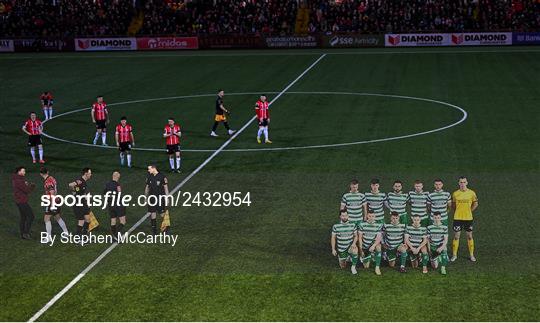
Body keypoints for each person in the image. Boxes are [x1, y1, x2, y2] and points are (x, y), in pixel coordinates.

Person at [451, 176, 478, 262]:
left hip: (468, 218)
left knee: (469, 236)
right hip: (457, 218)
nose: (462, 184)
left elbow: (475, 203)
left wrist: (469, 211)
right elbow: (453, 205)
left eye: (464, 182)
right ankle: (454, 255)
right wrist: (457, 211)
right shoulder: (455, 193)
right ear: (459, 183)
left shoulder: (472, 193)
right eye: (461, 182)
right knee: (456, 237)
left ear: (467, 183)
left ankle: (471, 255)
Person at [39, 168, 69, 242]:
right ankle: (66, 232)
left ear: (41, 174)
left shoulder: (47, 181)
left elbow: (52, 192)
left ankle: (49, 237)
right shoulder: (52, 178)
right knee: (57, 217)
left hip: (52, 201)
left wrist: (52, 204)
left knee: (46, 219)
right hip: (57, 200)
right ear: (48, 172)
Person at [331, 209, 359, 275]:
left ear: (348, 216)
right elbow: (333, 238)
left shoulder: (353, 225)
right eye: (343, 216)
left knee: (355, 250)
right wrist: (333, 249)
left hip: (350, 246)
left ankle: (353, 267)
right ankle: (346, 257)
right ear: (340, 217)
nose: (345, 217)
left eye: (346, 215)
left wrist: (354, 243)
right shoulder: (336, 226)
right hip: (341, 248)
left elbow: (356, 236)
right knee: (343, 267)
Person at [12, 166, 36, 239]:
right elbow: (27, 191)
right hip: (22, 201)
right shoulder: (19, 181)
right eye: (23, 171)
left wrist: (25, 184)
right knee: (31, 216)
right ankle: (26, 233)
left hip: (19, 201)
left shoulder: (17, 179)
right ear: (19, 172)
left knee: (23, 217)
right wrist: (32, 186)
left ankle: (23, 233)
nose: (24, 172)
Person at [145, 165, 169, 234]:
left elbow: (166, 188)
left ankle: (165, 229)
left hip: (160, 198)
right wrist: (146, 197)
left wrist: (167, 198)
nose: (148, 170)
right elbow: (147, 187)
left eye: (149, 169)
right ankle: (154, 231)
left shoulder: (162, 176)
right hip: (151, 198)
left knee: (162, 214)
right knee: (152, 213)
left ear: (153, 168)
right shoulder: (149, 176)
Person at [357, 210, 383, 275]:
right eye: (369, 216)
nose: (371, 217)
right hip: (365, 246)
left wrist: (373, 246)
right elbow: (360, 238)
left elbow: (379, 238)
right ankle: (369, 256)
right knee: (366, 267)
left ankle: (377, 267)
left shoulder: (378, 225)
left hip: (372, 246)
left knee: (378, 246)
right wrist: (361, 250)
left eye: (373, 216)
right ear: (367, 216)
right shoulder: (362, 224)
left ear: (375, 217)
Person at [68, 168, 92, 236]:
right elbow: (70, 185)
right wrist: (74, 192)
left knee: (88, 220)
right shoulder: (80, 181)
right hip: (79, 204)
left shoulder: (84, 182)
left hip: (83, 203)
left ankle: (84, 236)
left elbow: (81, 192)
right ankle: (77, 238)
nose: (91, 175)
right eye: (90, 173)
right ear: (86, 173)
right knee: (81, 221)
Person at [104, 171, 126, 240]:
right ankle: (116, 234)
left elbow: (105, 193)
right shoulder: (117, 185)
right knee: (123, 221)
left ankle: (114, 236)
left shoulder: (107, 184)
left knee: (113, 220)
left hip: (111, 204)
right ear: (117, 177)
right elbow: (119, 194)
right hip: (118, 204)